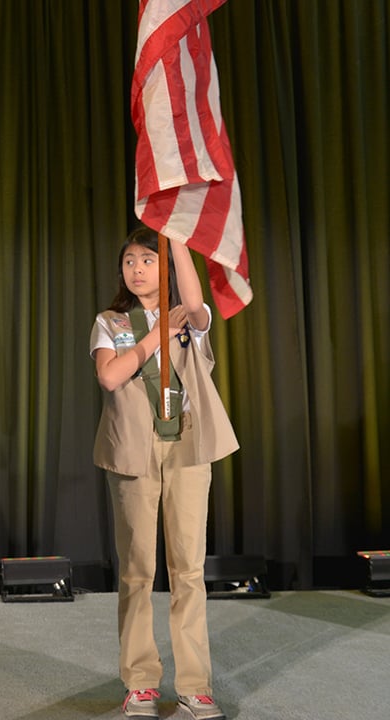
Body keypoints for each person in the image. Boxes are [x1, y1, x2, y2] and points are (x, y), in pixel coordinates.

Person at [90, 227, 238, 720]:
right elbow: (110, 376)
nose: (136, 269)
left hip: (187, 444)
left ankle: (195, 686)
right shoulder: (111, 321)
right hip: (133, 450)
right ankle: (140, 683)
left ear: (165, 268)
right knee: (136, 570)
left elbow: (196, 304)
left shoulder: (186, 317)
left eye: (147, 260)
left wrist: (175, 234)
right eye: (129, 261)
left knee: (188, 570)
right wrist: (154, 338)